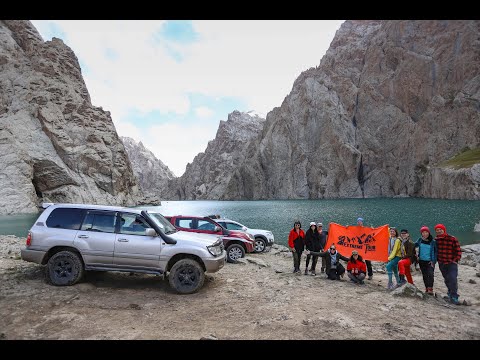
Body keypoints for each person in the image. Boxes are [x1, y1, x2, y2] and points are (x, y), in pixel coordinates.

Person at [434, 224, 462, 305]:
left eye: (440, 229)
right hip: (442, 263)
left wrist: (455, 260)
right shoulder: (436, 240)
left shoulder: (452, 238)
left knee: (453, 278)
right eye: (437, 230)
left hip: (451, 263)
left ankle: (454, 296)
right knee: (446, 279)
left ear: (444, 230)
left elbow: (458, 250)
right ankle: (450, 291)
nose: (439, 231)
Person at [414, 226, 437, 295]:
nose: (425, 234)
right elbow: (414, 245)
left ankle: (430, 288)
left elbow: (436, 252)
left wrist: (433, 261)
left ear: (429, 232)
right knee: (424, 275)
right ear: (421, 233)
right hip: (421, 261)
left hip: (430, 261)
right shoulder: (420, 240)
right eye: (423, 232)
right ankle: (427, 288)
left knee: (430, 274)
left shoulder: (433, 241)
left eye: (426, 232)